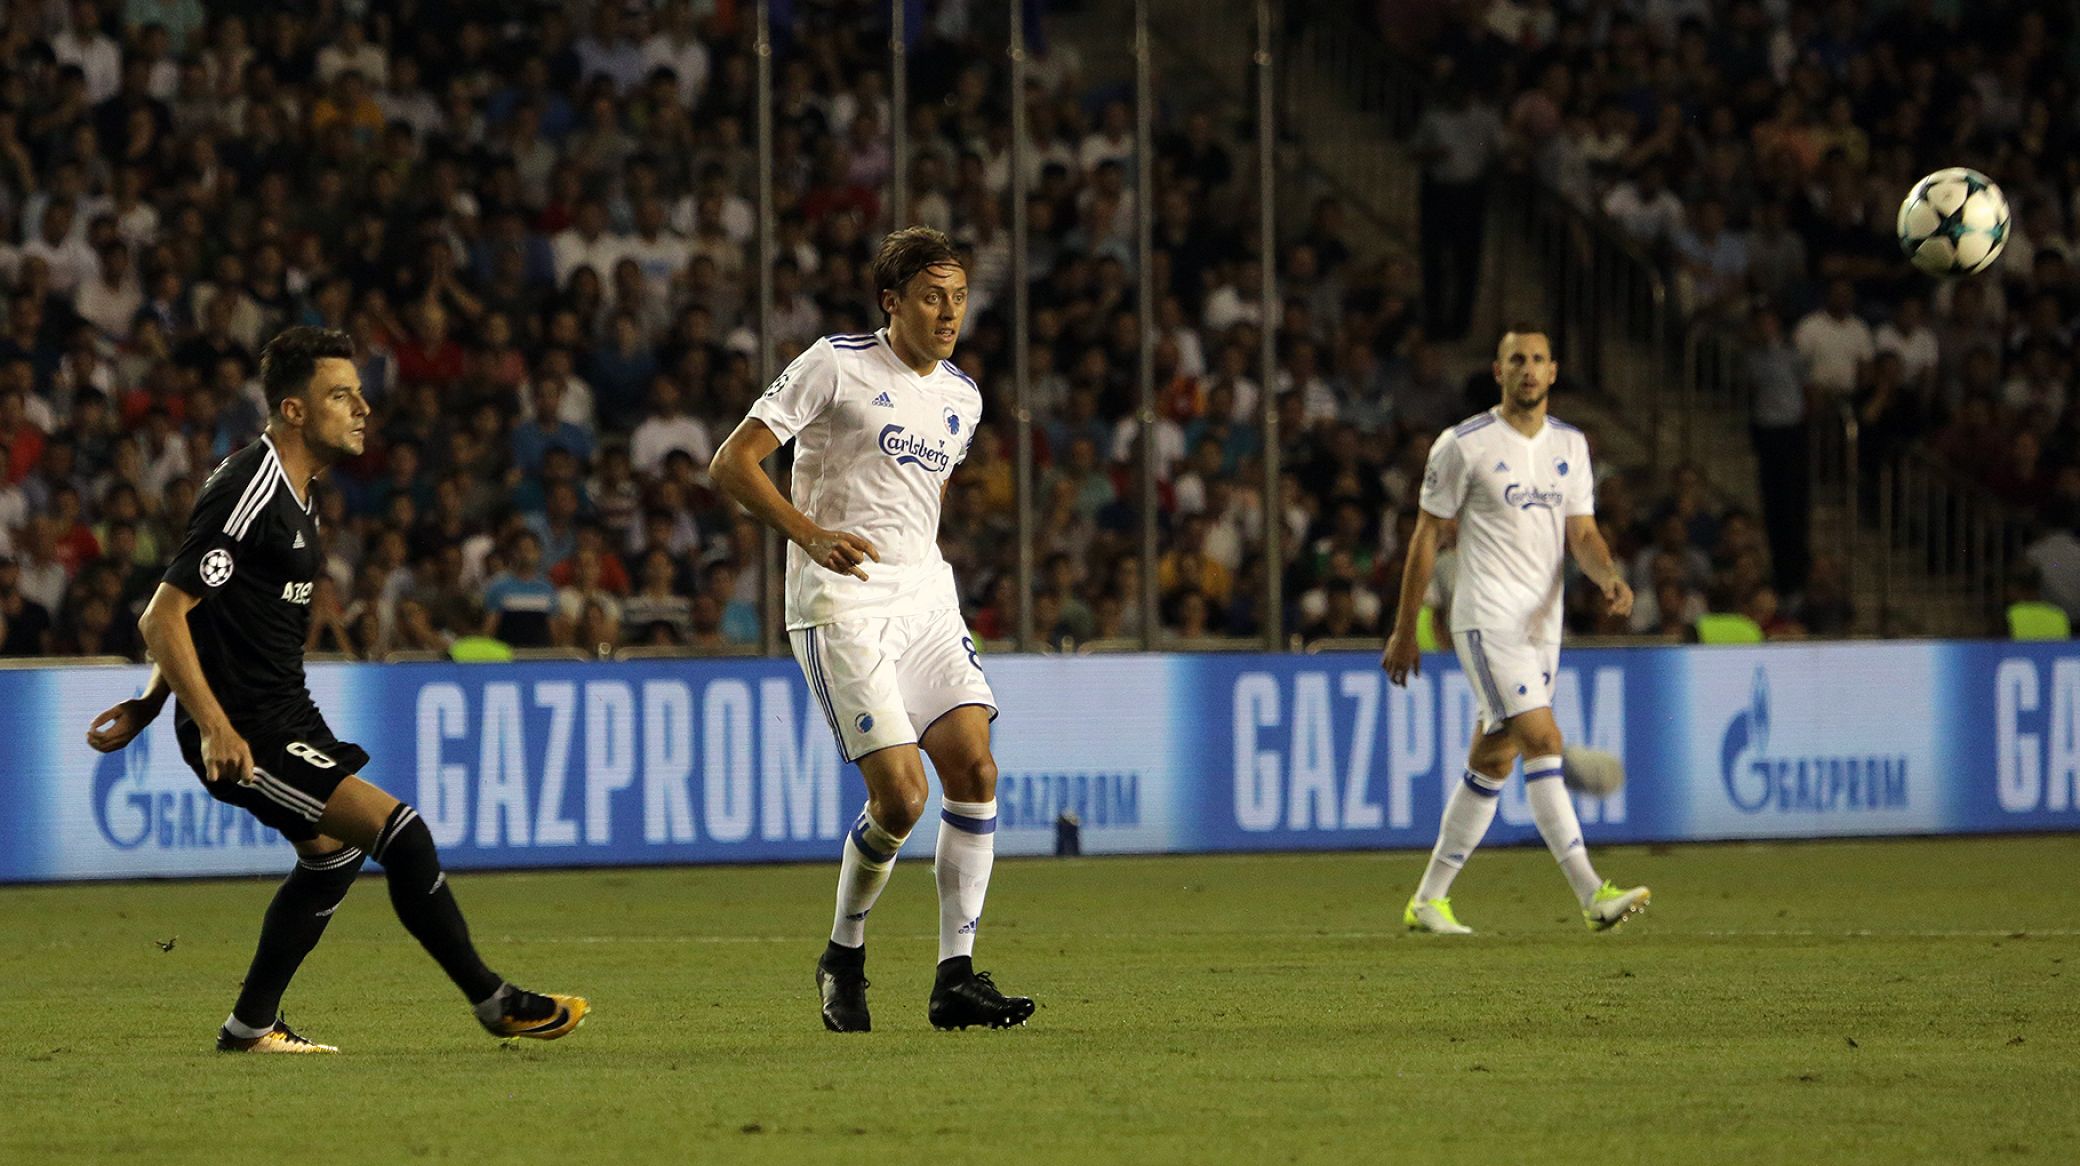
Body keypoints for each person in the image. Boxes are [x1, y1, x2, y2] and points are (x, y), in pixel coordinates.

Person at [84, 327, 585, 1053]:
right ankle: (493, 999)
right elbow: (163, 615)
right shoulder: (248, 487)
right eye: (341, 395)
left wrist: (150, 701)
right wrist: (212, 726)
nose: (362, 409)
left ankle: (251, 1025)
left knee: (333, 856)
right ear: (293, 409)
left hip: (283, 713)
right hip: (248, 730)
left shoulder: (299, 494)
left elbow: (208, 612)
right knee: (402, 835)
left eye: (359, 394)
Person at [710, 226, 1034, 1033]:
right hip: (839, 600)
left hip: (923, 599)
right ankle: (843, 952)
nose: (948, 311)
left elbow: (911, 503)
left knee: (977, 770)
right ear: (892, 302)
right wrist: (811, 532)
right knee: (901, 797)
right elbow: (732, 463)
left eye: (957, 297)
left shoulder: (964, 397)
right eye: (931, 296)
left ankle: (954, 976)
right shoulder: (836, 362)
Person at [1383, 325, 1651, 934]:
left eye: (1537, 360)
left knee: (1495, 759)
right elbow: (1428, 535)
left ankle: (1428, 899)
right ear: (1498, 372)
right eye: (1516, 360)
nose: (1528, 370)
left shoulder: (1572, 447)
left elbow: (1581, 532)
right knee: (1542, 739)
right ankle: (1592, 893)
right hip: (1485, 617)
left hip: (1542, 625)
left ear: (1554, 371)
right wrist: (1405, 628)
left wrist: (1606, 574)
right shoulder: (1464, 444)